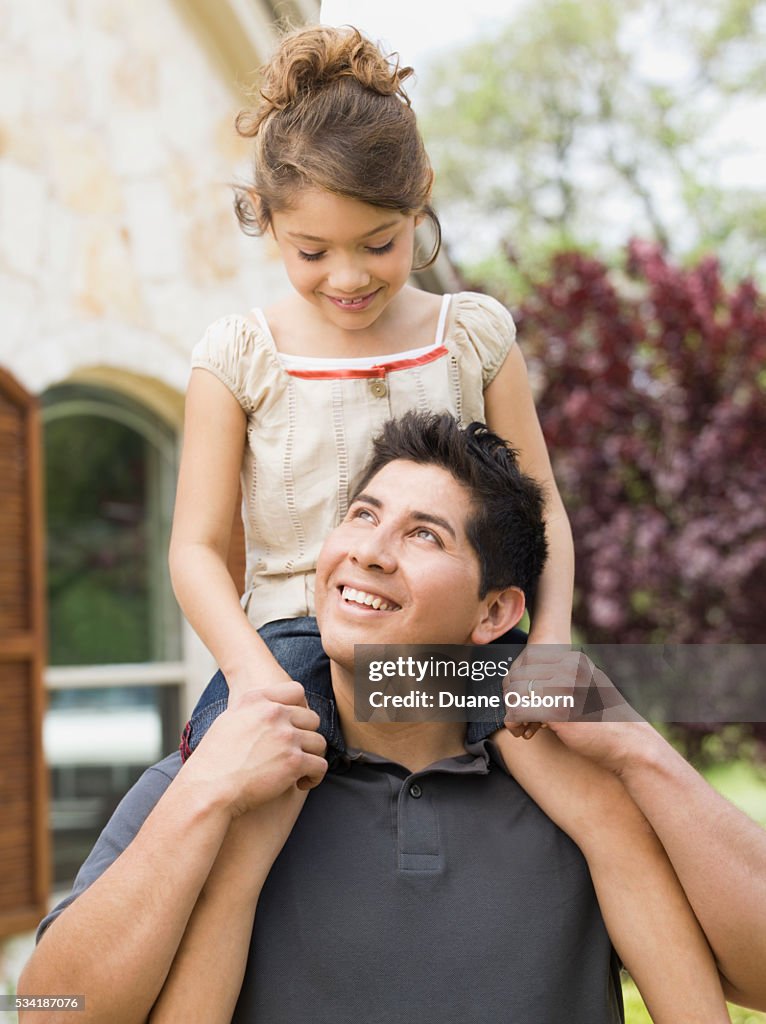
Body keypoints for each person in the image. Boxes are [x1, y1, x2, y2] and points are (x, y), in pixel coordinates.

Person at [21, 413, 734, 1023]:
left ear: (495, 613)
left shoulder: (578, 787)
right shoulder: (213, 774)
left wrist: (641, 751)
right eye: (363, 514)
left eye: (425, 535)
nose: (368, 552)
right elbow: (50, 1012)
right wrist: (207, 795)